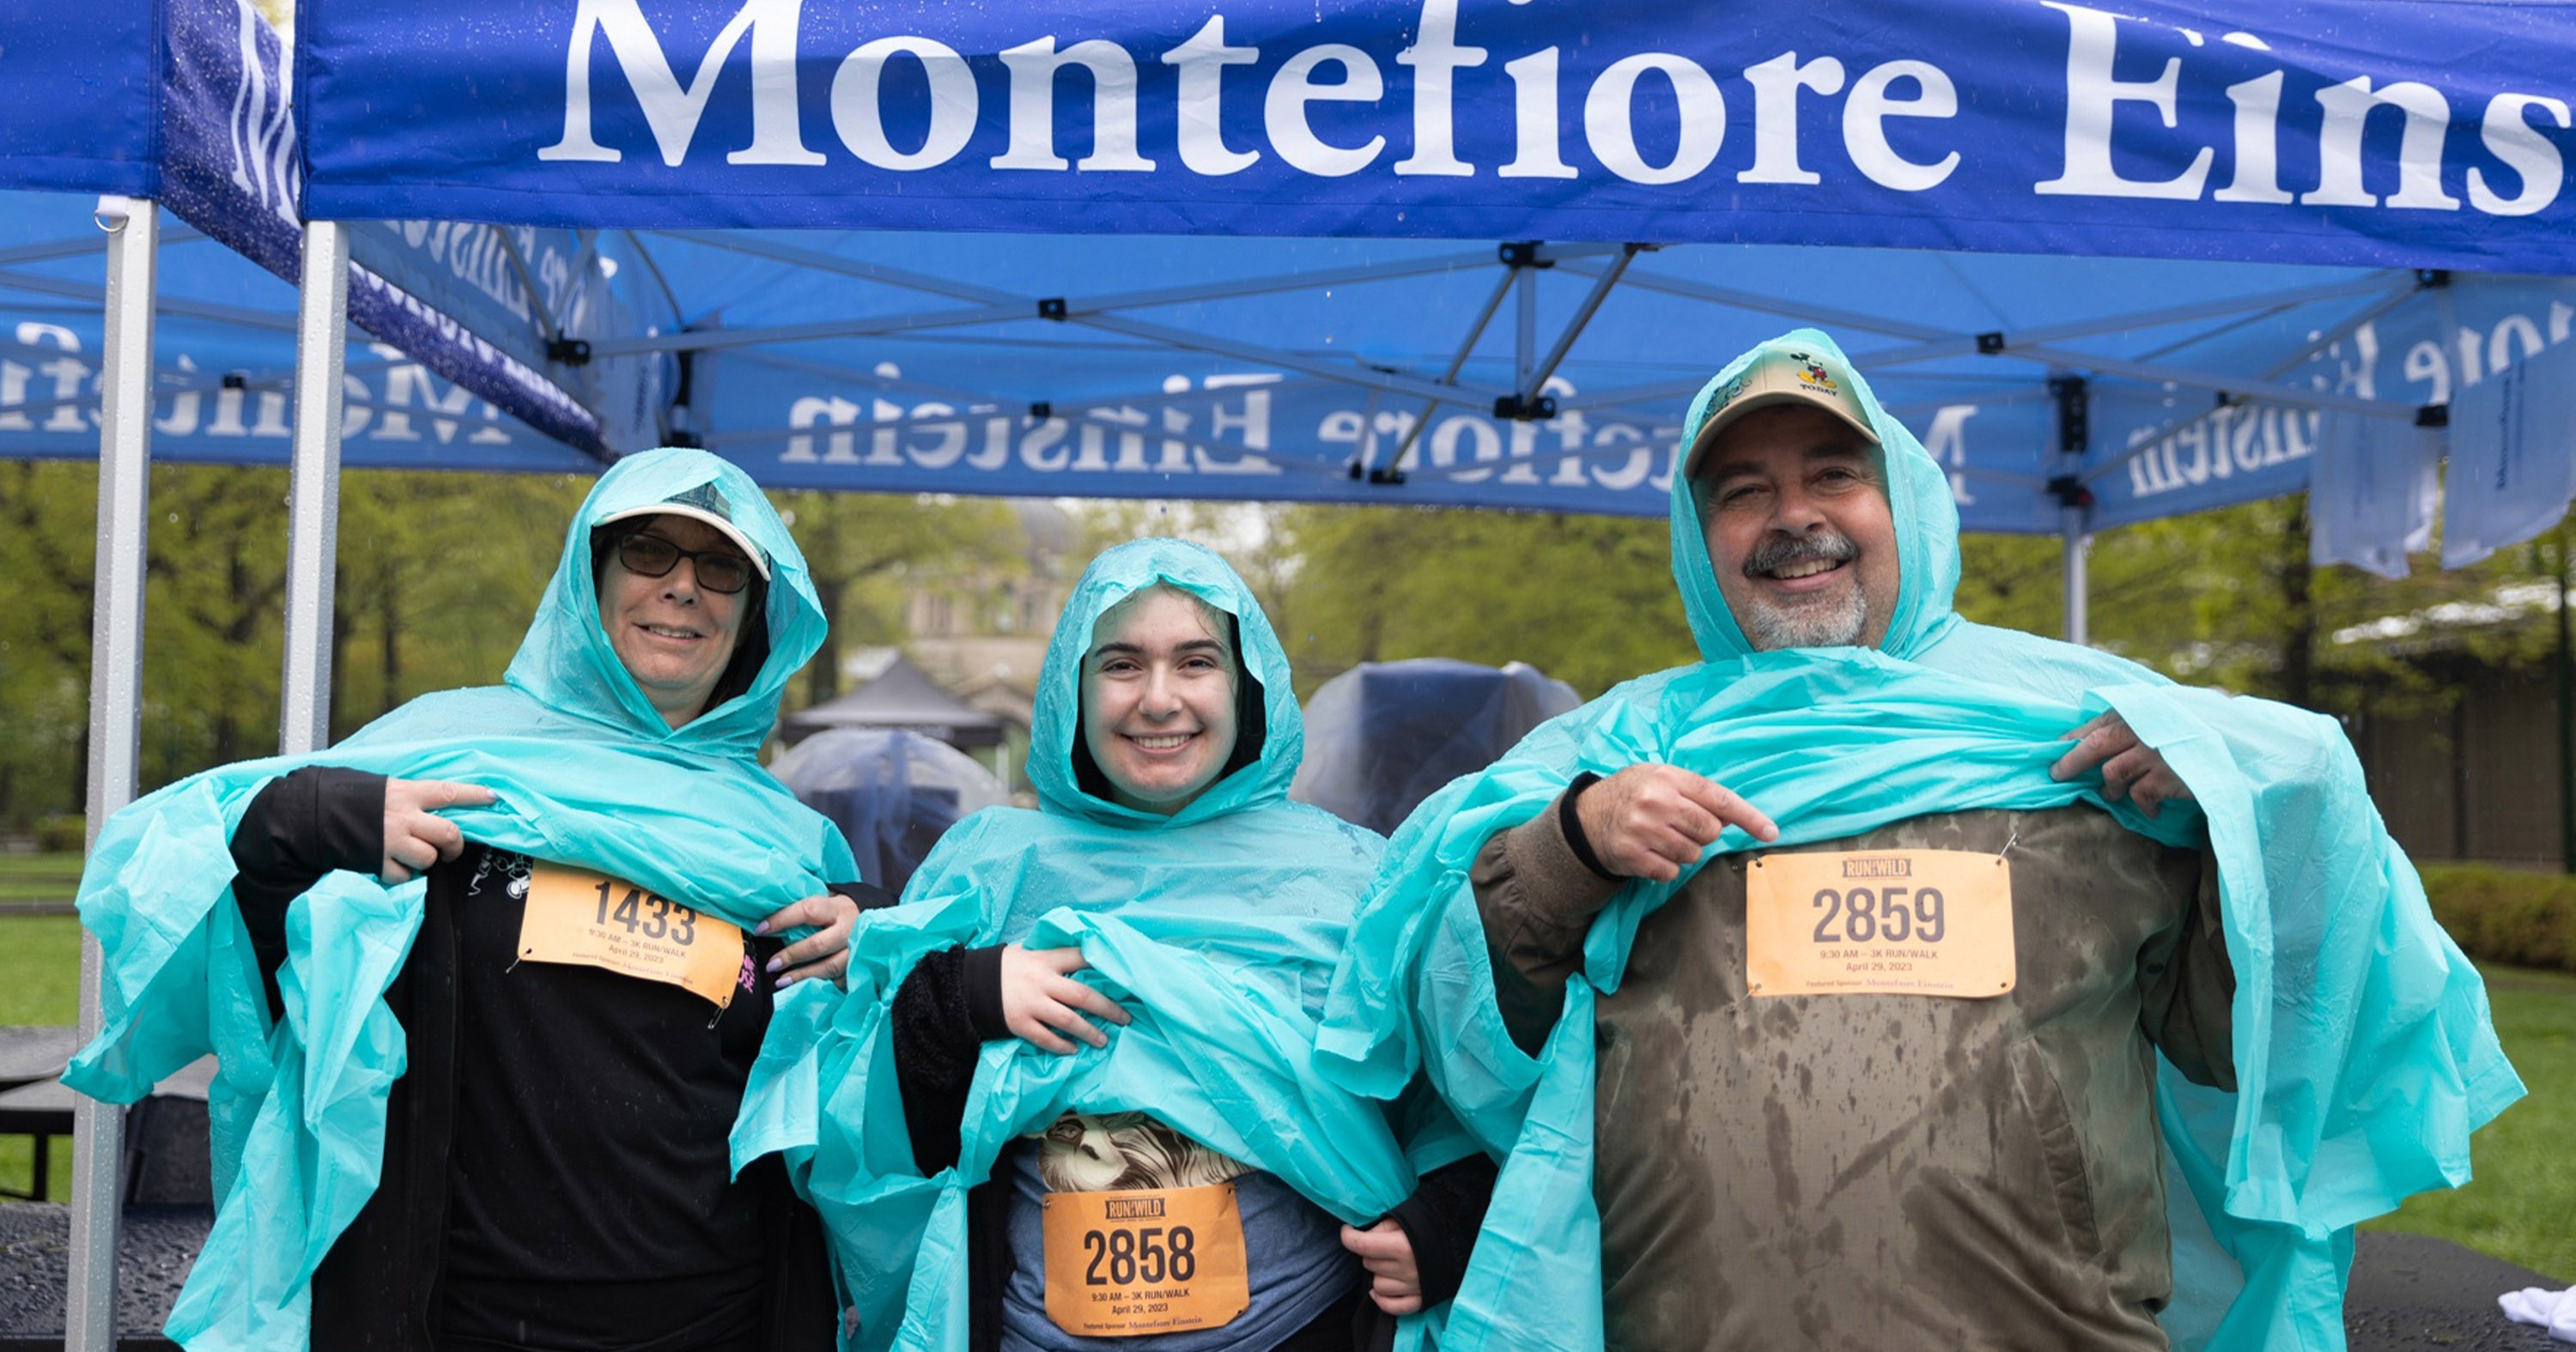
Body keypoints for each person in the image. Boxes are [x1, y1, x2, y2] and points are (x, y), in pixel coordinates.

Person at [1319, 330, 2520, 1352]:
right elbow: (1455, 1045)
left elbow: (2249, 1048)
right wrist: (1572, 845)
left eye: (1831, 475)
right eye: (1742, 491)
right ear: (1700, 540)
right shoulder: (1620, 754)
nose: (1792, 517)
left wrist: (2244, 818)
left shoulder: (2101, 736)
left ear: (1903, 501)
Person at [67, 449, 879, 1352]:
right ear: (591, 580)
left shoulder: (790, 842)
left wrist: (874, 941)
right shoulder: (447, 757)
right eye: (649, 551)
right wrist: (308, 818)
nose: (683, 587)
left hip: (714, 1314)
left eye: (720, 567)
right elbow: (219, 927)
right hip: (463, 1313)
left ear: (754, 617)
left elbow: (849, 1096)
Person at [751, 539, 1494, 1352]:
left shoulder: (1353, 875)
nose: (1159, 699)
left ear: (1247, 688)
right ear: (1073, 686)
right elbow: (878, 1120)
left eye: (1197, 662)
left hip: (1300, 1330)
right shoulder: (989, 863)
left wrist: (1445, 1224)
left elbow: (1464, 1095)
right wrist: (965, 992)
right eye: (1121, 665)